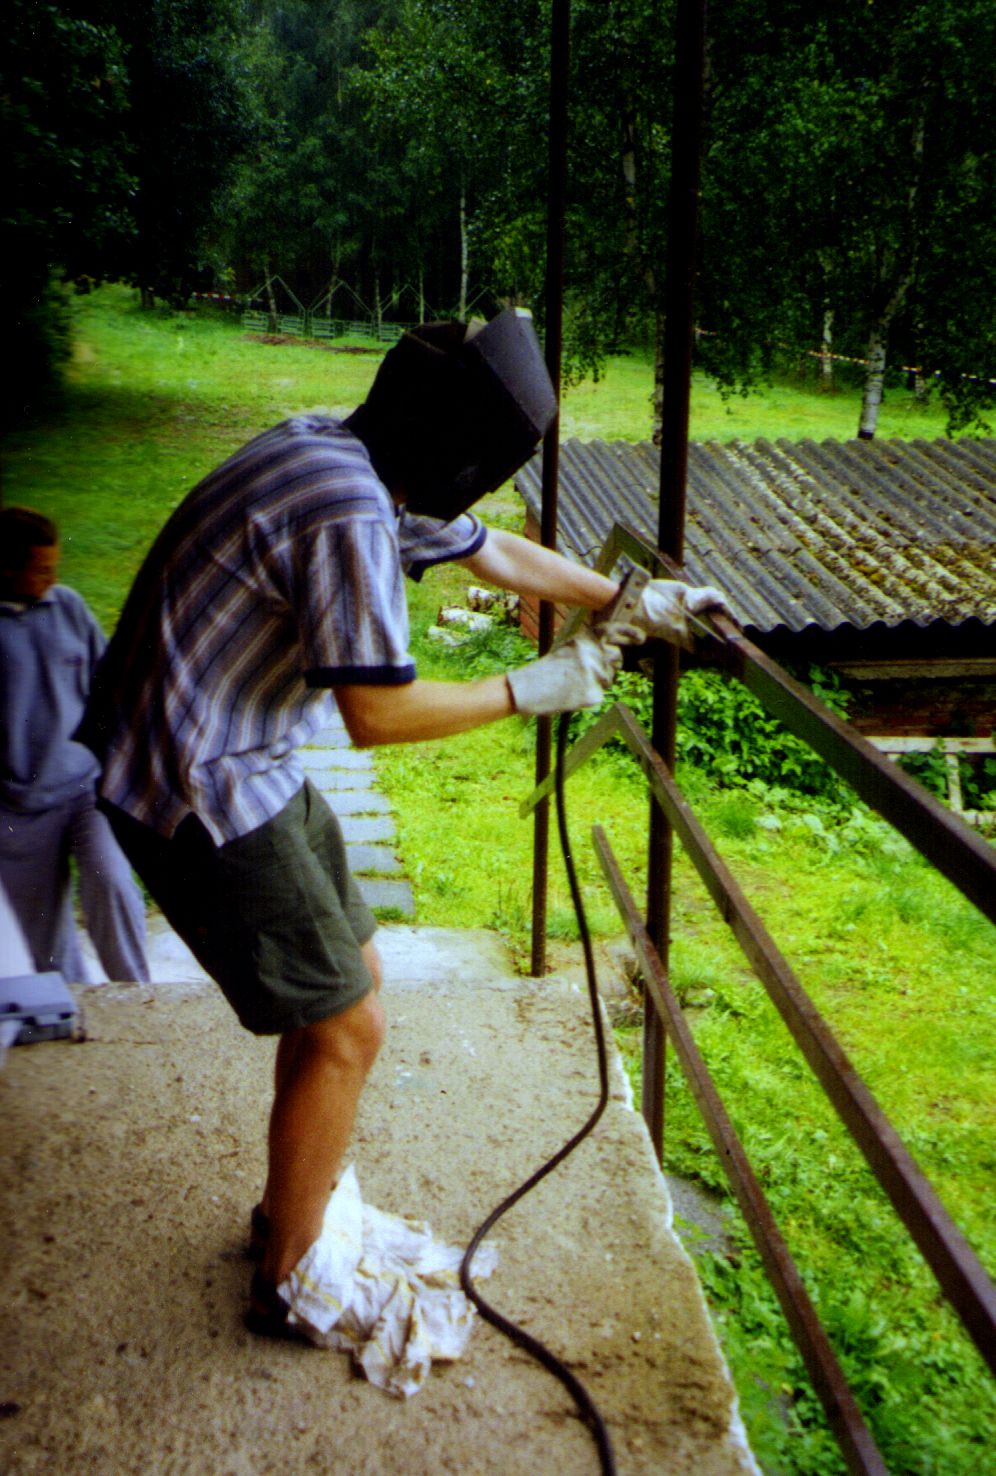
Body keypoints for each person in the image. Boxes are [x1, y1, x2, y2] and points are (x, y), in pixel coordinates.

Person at [77, 311, 724, 1337]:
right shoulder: (348, 508)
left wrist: (628, 600)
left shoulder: (338, 450)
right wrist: (532, 687)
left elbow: (491, 550)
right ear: (465, 449)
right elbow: (375, 716)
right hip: (190, 779)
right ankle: (290, 1278)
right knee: (348, 1025)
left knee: (358, 976)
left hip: (232, 746)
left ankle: (286, 1214)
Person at [0, 507, 149, 986]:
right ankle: (72, 1005)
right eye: (41, 569)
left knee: (112, 880)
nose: (53, 578)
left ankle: (138, 994)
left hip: (87, 789)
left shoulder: (68, 606)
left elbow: (109, 685)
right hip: (17, 809)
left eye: (55, 566)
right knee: (42, 938)